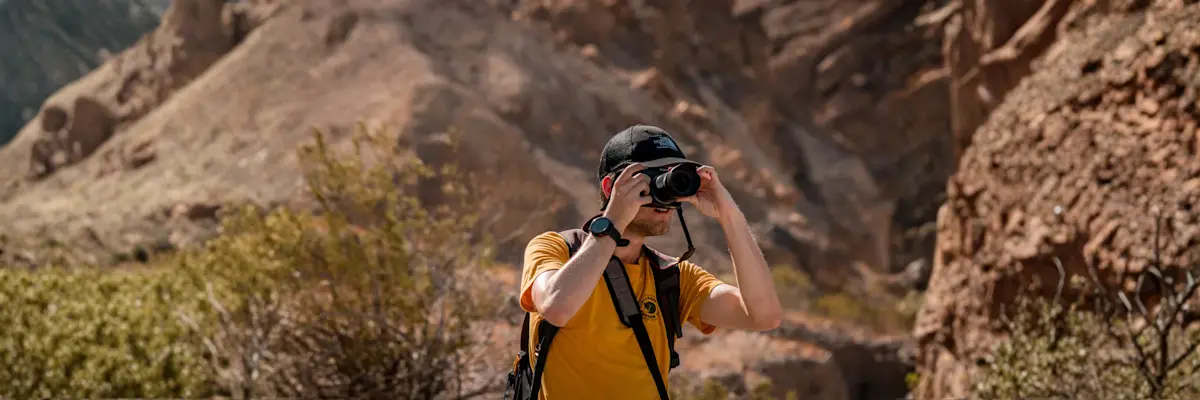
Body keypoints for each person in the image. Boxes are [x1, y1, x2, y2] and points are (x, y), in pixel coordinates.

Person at [517, 124, 783, 399]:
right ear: (610, 187)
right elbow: (556, 307)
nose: (664, 195)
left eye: (670, 179)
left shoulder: (672, 276)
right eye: (649, 179)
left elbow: (764, 316)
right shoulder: (556, 249)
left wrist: (729, 215)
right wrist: (614, 220)